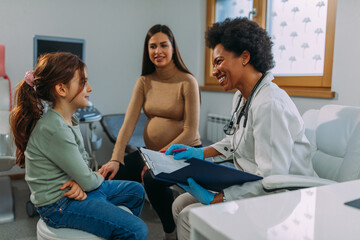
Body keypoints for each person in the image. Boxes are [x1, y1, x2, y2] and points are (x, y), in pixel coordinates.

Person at [165, 17, 318, 240]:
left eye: (218, 61)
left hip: (284, 199)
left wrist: (218, 198)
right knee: (180, 203)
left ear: (245, 57)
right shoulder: (242, 96)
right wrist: (199, 152)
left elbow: (273, 180)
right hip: (253, 184)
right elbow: (235, 140)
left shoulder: (269, 104)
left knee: (190, 215)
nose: (214, 70)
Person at [10, 52, 148, 240]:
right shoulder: (54, 128)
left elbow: (83, 162)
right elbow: (88, 178)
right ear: (61, 89)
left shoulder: (70, 120)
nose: (89, 88)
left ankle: (113, 226)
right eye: (83, 82)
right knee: (138, 230)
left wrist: (81, 182)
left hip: (74, 188)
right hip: (57, 205)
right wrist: (89, 180)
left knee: (136, 192)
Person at [98, 24, 201, 239]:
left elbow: (191, 132)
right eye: (152, 46)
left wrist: (157, 158)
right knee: (109, 177)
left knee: (153, 180)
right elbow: (128, 123)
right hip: (152, 153)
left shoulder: (187, 81)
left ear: (173, 48)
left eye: (163, 45)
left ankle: (170, 231)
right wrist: (116, 158)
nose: (158, 51)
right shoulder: (145, 81)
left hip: (183, 153)